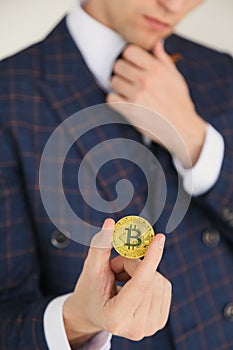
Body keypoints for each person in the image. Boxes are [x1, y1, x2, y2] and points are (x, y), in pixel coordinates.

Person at [0, 0, 233, 349]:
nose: (173, 4)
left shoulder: (221, 70)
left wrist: (196, 140)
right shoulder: (9, 97)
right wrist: (78, 320)